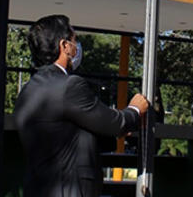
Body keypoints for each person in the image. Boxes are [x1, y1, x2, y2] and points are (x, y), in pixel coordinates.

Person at [14, 14, 149, 197]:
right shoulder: (70, 86)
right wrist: (135, 109)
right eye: (74, 40)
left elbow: (70, 135)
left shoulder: (27, 92)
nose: (76, 47)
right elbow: (115, 122)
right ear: (64, 46)